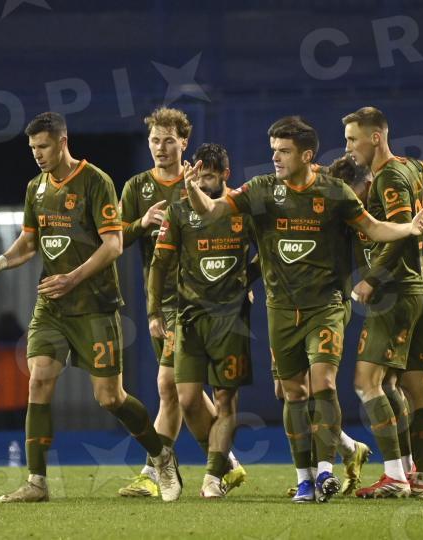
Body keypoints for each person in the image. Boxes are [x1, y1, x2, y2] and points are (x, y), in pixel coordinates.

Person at [184, 116, 423, 503]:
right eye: (273, 150)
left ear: (306, 155)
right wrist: (191, 190)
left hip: (326, 306)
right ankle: (304, 478)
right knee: (293, 392)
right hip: (282, 309)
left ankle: (325, 472)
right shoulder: (261, 190)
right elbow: (213, 211)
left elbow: (372, 227)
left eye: (283, 151)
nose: (275, 157)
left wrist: (408, 229)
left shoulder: (334, 191)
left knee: (325, 384)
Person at [0, 112, 181, 503]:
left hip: (95, 305)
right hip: (52, 305)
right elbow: (29, 242)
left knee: (110, 398)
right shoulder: (36, 188)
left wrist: (73, 277)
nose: (38, 154)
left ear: (62, 142)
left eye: (43, 146)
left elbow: (114, 245)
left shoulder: (96, 182)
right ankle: (37, 481)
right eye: (33, 148)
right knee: (38, 378)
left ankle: (160, 455)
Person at [118, 108, 245, 497]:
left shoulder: (199, 182)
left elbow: (231, 224)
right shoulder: (137, 187)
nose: (160, 148)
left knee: (168, 385)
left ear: (183, 143)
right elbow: (113, 239)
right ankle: (225, 464)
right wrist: (140, 224)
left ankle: (155, 469)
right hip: (163, 300)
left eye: (168, 140)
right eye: (154, 140)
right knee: (177, 389)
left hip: (195, 302)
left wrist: (243, 277)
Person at [344, 107, 423, 498]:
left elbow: (404, 233)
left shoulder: (388, 178)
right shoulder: (409, 168)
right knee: (412, 386)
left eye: (353, 139)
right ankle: (422, 477)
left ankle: (396, 476)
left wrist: (371, 278)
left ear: (375, 138)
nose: (348, 147)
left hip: (396, 293)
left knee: (366, 383)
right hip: (418, 292)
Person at [150, 143, 256, 498]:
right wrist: (153, 312)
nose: (203, 183)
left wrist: (247, 281)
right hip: (190, 317)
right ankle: (225, 463)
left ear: (225, 174)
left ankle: (213, 476)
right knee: (187, 398)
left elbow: (268, 253)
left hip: (232, 318)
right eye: (199, 177)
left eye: (210, 176)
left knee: (225, 398)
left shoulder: (244, 207)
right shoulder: (179, 212)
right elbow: (159, 264)